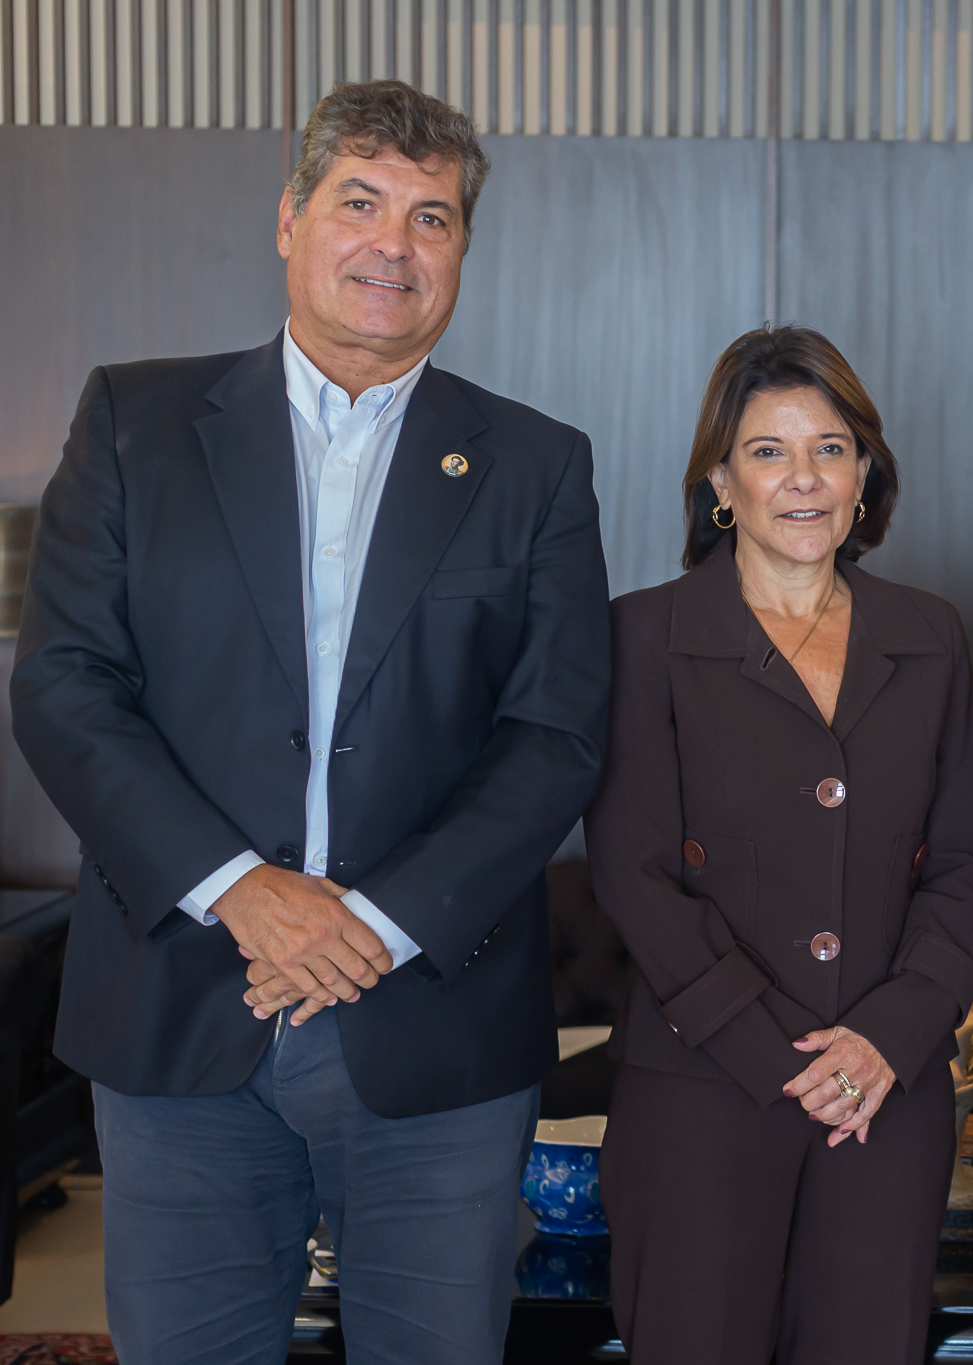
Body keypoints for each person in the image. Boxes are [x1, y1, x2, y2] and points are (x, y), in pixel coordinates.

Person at [10, 80, 611, 1365]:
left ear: (462, 249)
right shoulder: (134, 425)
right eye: (360, 203)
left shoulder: (535, 464)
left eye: (431, 217)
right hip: (181, 1002)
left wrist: (369, 926)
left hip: (435, 1024)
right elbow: (66, 685)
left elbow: (554, 733)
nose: (393, 245)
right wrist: (241, 891)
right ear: (289, 219)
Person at [587, 326, 973, 1364]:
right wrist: (784, 1061)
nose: (803, 478)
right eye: (768, 451)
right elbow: (634, 873)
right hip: (701, 1096)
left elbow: (962, 862)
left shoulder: (931, 635)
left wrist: (888, 1039)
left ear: (865, 476)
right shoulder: (642, 635)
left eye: (830, 448)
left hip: (886, 1098)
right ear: (721, 482)